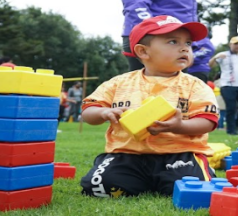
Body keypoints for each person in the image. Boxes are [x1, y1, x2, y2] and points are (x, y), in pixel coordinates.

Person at [79, 15, 219, 198]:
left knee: (195, 191)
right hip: (127, 155)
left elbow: (208, 121)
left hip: (179, 154)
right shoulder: (118, 83)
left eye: (189, 43)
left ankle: (175, 178)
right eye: (173, 41)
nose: (184, 48)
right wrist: (104, 112)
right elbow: (88, 112)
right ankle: (141, 181)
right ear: (143, 52)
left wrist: (180, 126)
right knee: (99, 188)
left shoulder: (196, 85)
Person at [209, 36, 238, 135]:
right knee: (231, 108)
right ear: (230, 45)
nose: (237, 46)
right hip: (227, 85)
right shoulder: (224, 55)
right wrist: (215, 57)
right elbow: (210, 65)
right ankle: (231, 130)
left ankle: (236, 124)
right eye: (235, 44)